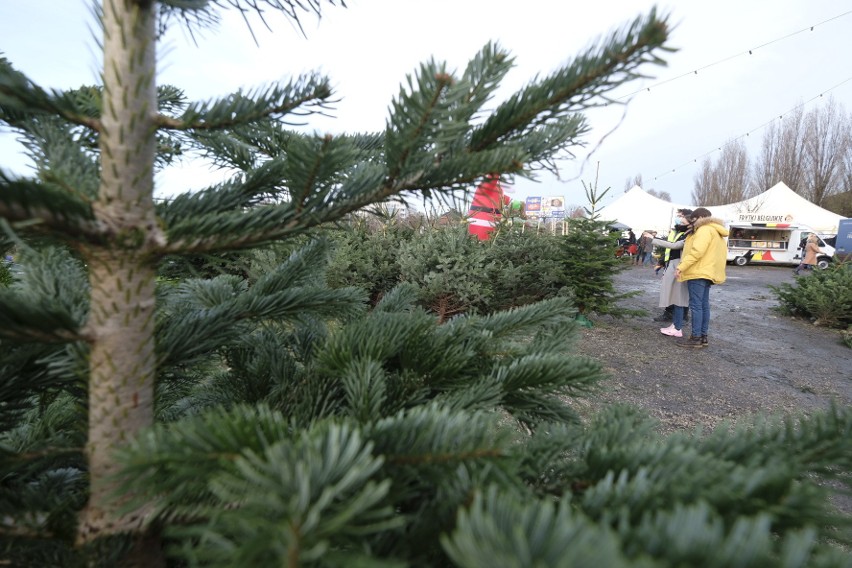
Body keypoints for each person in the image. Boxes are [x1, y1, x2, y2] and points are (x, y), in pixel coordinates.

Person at [675, 207, 729, 348]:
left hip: (698, 271)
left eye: (693, 219)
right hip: (708, 272)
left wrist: (681, 266)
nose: (691, 222)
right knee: (704, 305)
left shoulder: (704, 230)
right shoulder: (717, 232)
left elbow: (696, 252)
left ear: (699, 218)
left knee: (696, 306)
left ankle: (696, 338)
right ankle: (703, 337)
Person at [652, 209, 692, 337]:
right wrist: (663, 262)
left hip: (679, 267)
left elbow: (674, 246)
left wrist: (653, 239)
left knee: (679, 298)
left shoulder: (689, 235)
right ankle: (675, 324)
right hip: (673, 265)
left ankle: (678, 327)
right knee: (675, 297)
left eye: (682, 217)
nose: (679, 219)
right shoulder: (681, 232)